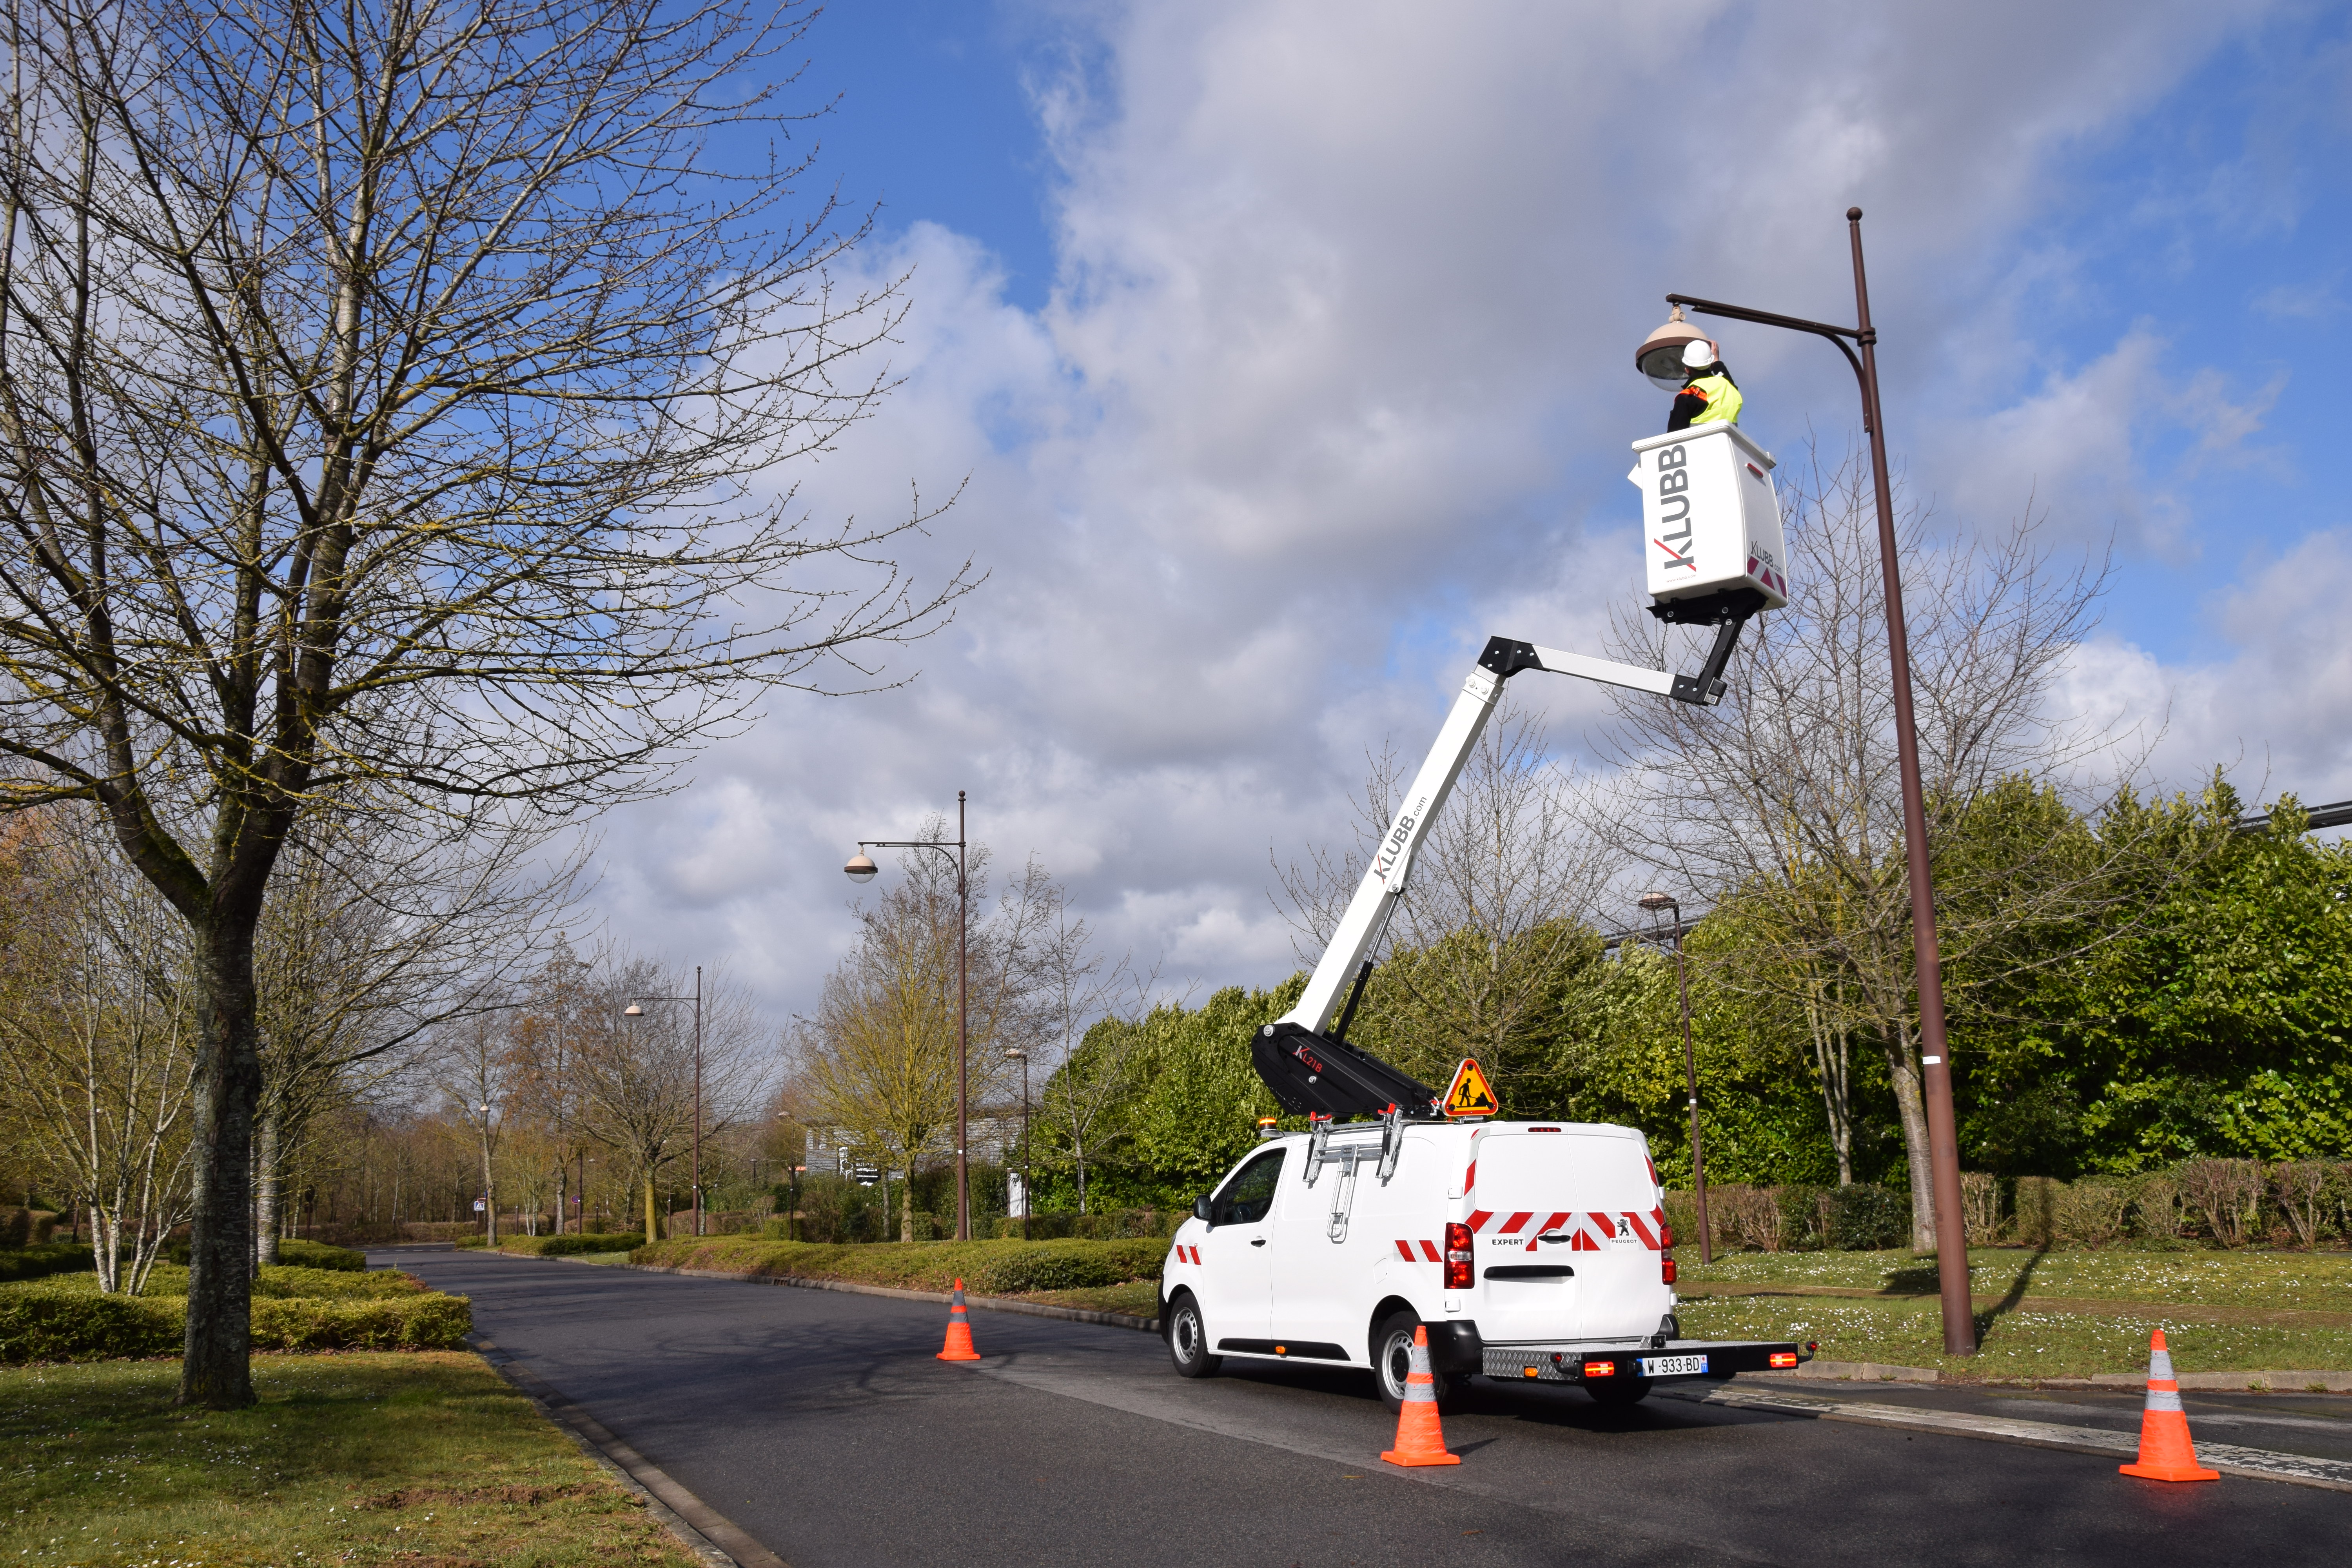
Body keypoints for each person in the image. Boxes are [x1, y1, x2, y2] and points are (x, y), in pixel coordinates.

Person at [1668, 337, 1742, 430]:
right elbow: (1726, 376)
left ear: (1687, 370)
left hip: (1699, 445)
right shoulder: (1728, 386)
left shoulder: (1689, 395)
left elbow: (1674, 435)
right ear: (1711, 366)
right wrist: (1716, 360)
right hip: (1728, 443)